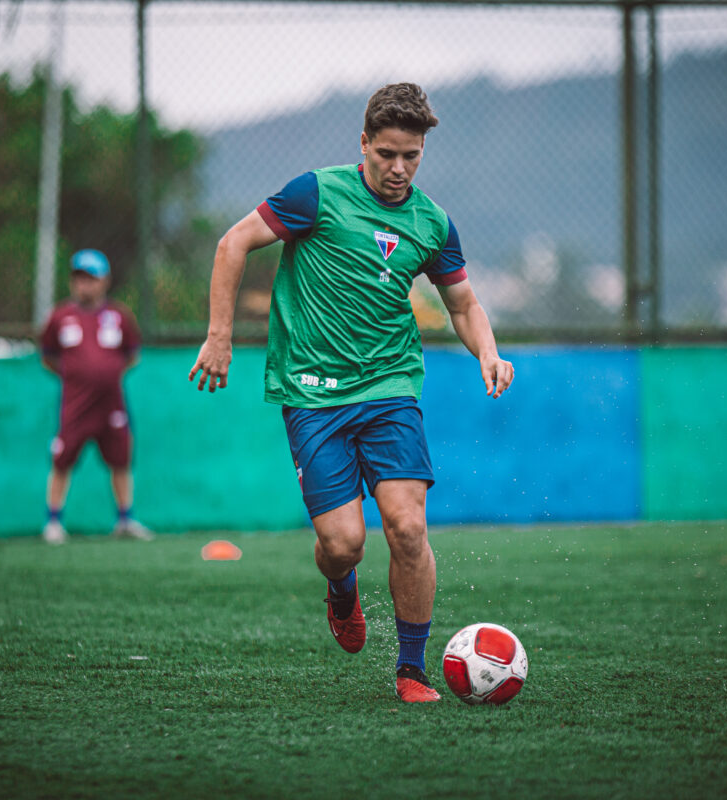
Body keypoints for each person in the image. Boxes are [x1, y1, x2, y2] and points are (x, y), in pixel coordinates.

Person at [189, 83, 514, 702]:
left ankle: (412, 669)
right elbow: (233, 244)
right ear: (363, 143)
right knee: (343, 544)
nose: (398, 168)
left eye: (411, 156)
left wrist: (489, 352)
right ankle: (342, 589)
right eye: (386, 153)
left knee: (407, 527)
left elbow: (463, 302)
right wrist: (220, 337)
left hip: (390, 388)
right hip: (312, 394)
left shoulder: (432, 223)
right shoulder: (315, 193)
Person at [39, 249, 153, 544]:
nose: (83, 285)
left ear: (104, 281)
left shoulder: (119, 316)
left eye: (90, 278)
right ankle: (53, 521)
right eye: (78, 278)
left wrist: (106, 373)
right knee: (62, 459)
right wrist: (77, 376)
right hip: (75, 404)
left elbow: (132, 356)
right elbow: (48, 356)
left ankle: (125, 519)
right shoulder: (60, 316)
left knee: (120, 459)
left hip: (111, 403)